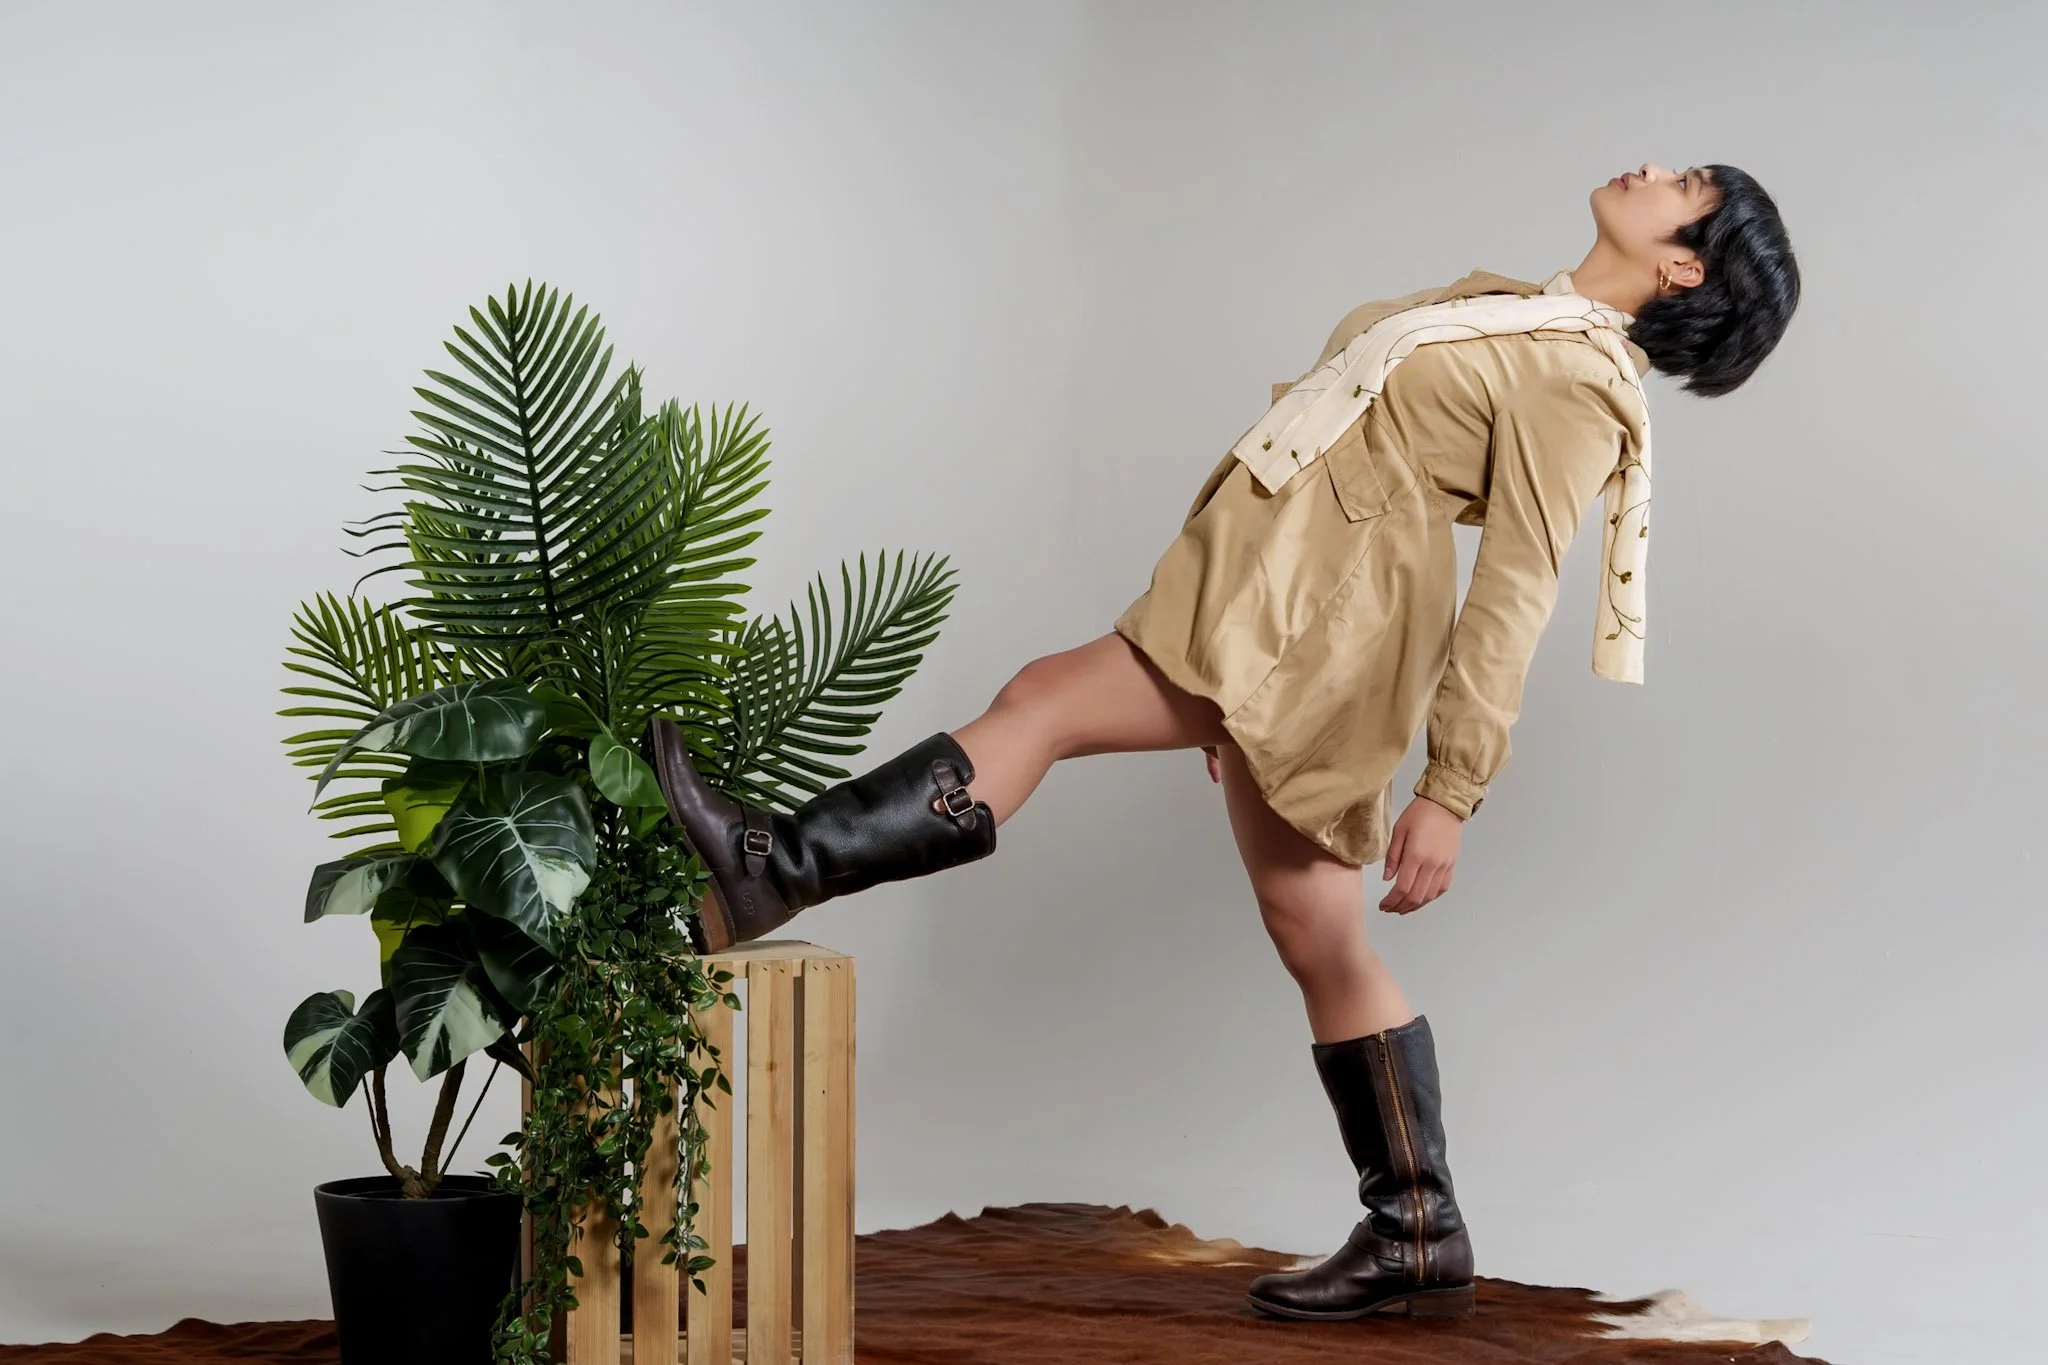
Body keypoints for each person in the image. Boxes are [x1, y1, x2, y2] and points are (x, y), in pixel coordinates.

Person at [649, 160, 1800, 1323]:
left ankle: (774, 872)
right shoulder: (1517, 308)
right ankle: (1416, 1225)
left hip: (1326, 625)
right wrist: (1232, 670)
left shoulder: (1577, 377)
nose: (1651, 168)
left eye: (1683, 182)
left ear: (1682, 264)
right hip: (1276, 605)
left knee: (1047, 707)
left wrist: (1450, 789)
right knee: (1313, 929)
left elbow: (1512, 593)